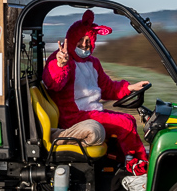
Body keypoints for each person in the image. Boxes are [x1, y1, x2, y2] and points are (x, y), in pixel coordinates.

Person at [42, 10, 151, 175]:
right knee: (125, 124)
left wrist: (130, 88)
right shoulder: (63, 60)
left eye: (89, 41)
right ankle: (139, 166)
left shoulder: (93, 63)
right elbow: (54, 83)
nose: (85, 45)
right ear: (71, 40)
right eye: (80, 40)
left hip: (91, 113)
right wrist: (60, 64)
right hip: (74, 116)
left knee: (128, 119)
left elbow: (107, 87)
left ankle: (120, 165)